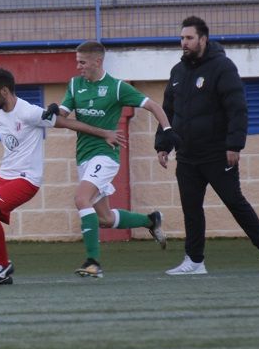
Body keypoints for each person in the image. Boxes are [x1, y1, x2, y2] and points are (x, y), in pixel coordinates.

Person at [0, 67, 126, 286]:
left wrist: (105, 133)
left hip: (27, 179)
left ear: (4, 91)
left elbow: (68, 123)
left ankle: (1, 267)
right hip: (4, 176)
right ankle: (0, 267)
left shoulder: (28, 112)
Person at [157, 16, 259, 275]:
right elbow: (168, 111)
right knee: (191, 209)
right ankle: (194, 261)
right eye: (182, 38)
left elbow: (237, 109)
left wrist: (234, 145)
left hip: (217, 154)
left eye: (189, 38)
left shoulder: (223, 67)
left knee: (235, 202)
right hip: (188, 155)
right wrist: (163, 144)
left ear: (203, 39)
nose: (184, 43)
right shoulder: (177, 72)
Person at [57, 40, 172, 278]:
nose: (78, 66)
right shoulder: (74, 84)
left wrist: (168, 130)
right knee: (105, 219)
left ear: (97, 62)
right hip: (84, 158)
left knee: (81, 199)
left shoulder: (116, 87)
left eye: (82, 62)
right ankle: (151, 220)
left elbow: (152, 105)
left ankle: (93, 263)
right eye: (77, 62)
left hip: (106, 156)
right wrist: (52, 110)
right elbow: (62, 117)